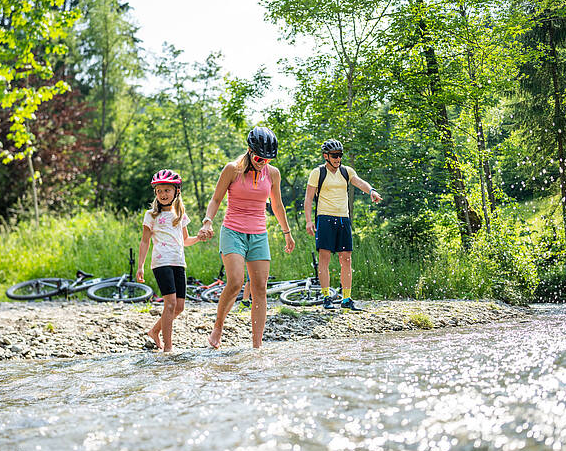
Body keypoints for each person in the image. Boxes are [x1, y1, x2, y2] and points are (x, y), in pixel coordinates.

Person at [198, 126, 295, 349]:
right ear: (250, 151)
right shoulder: (233, 169)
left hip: (259, 234)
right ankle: (218, 326)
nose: (263, 162)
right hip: (233, 231)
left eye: (268, 159)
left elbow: (277, 205)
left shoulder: (272, 174)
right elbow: (215, 199)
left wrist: (287, 233)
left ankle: (257, 346)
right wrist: (207, 221)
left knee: (260, 287)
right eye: (259, 157)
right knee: (235, 282)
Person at [303, 139, 382, 311]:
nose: (338, 159)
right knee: (324, 258)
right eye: (334, 156)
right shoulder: (318, 173)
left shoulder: (347, 171)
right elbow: (308, 198)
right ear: (326, 156)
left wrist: (371, 191)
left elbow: (360, 182)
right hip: (324, 218)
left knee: (346, 258)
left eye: (340, 155)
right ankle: (326, 297)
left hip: (343, 219)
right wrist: (309, 221)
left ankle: (346, 299)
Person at [136, 169, 203, 352]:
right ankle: (168, 348)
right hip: (161, 262)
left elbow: (186, 240)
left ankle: (154, 331)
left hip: (178, 262)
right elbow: (145, 241)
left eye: (167, 190)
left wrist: (200, 237)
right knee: (170, 303)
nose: (163, 194)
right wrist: (140, 266)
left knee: (179, 307)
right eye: (159, 191)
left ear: (176, 191)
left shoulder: (180, 214)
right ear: (155, 193)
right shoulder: (151, 215)